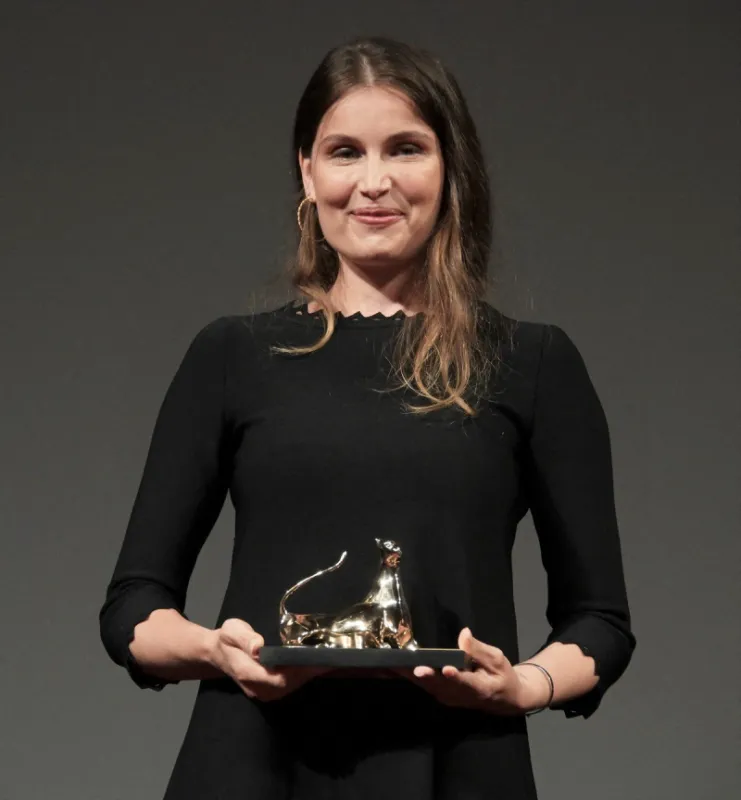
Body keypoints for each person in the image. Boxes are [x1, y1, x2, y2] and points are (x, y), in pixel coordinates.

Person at [99, 35, 636, 800]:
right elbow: (132, 611)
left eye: (406, 148)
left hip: (457, 766)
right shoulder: (232, 356)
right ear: (307, 172)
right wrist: (215, 651)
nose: (373, 182)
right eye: (345, 151)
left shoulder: (532, 363)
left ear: (451, 170)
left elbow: (599, 622)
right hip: (251, 767)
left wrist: (523, 684)